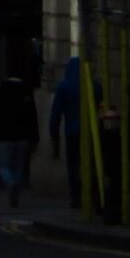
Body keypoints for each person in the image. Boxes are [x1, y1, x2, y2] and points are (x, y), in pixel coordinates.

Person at [0, 68, 40, 208]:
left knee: (3, 166)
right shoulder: (26, 94)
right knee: (19, 167)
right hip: (22, 138)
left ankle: (10, 183)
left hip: (4, 137)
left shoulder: (0, 94)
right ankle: (16, 188)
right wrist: (34, 138)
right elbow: (33, 118)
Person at [49, 55, 83, 198]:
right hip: (90, 132)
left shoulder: (64, 87)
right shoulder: (93, 85)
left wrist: (53, 133)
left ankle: (76, 196)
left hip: (72, 131)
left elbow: (55, 113)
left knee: (73, 165)